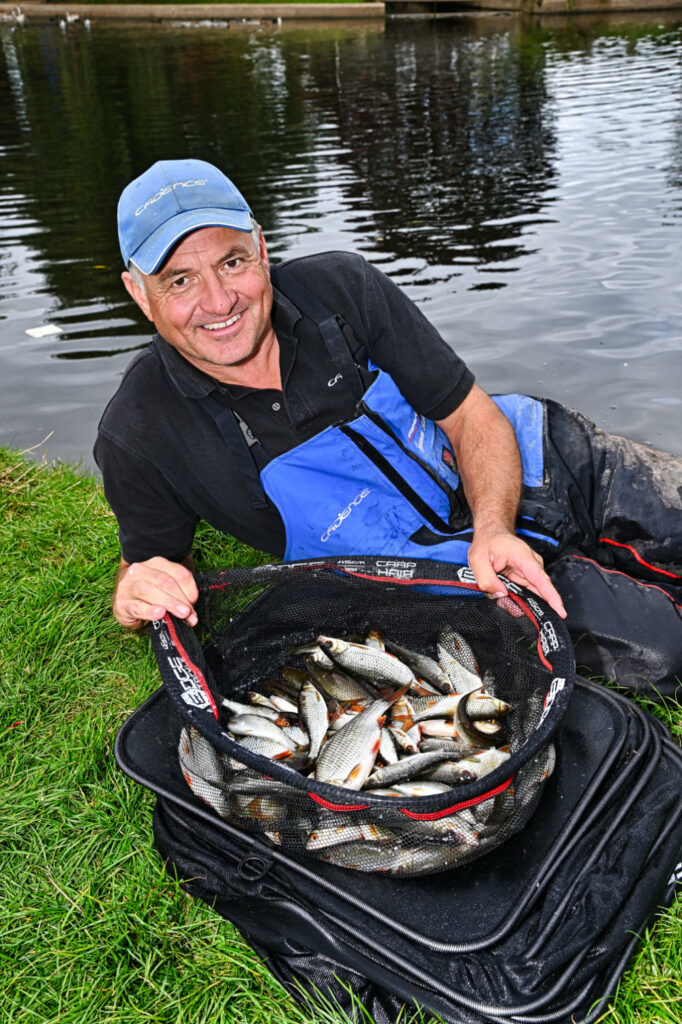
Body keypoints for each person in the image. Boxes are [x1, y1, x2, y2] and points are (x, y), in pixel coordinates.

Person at [96, 159, 682, 698]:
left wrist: (496, 529)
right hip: (445, 576)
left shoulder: (343, 289)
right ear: (138, 295)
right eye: (179, 280)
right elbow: (150, 564)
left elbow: (469, 412)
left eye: (232, 261)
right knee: (664, 650)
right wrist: (134, 592)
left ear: (262, 249)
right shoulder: (140, 431)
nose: (219, 300)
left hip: (534, 458)